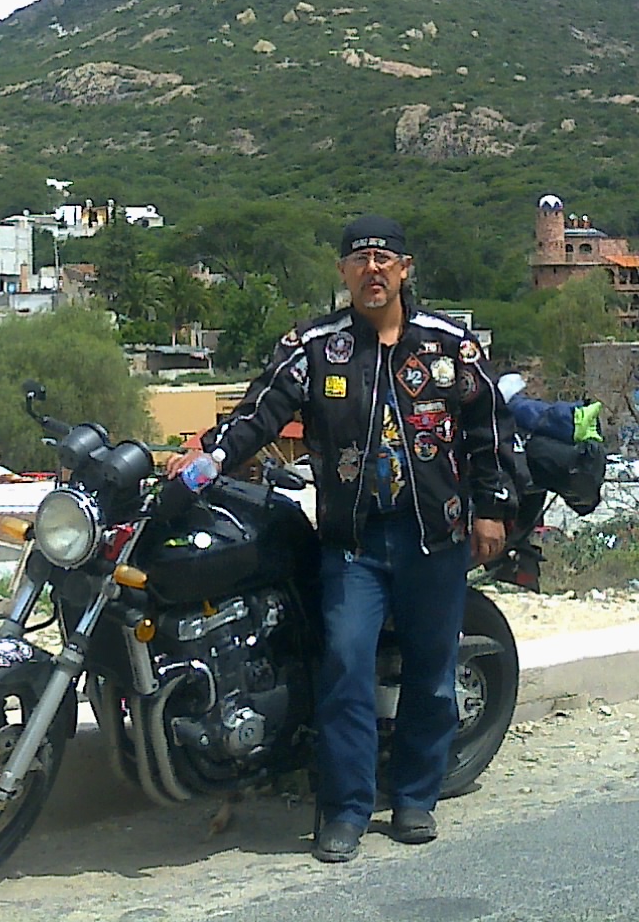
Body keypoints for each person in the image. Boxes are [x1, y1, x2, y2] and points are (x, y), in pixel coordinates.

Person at [168, 214, 514, 862]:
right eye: (360, 260)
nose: (372, 270)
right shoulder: (313, 347)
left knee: (433, 676)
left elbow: (489, 431)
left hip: (434, 540)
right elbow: (259, 413)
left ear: (405, 269)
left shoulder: (450, 345)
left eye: (384, 259)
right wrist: (205, 459)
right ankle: (346, 810)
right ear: (344, 272)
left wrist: (492, 510)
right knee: (346, 667)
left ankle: (415, 797)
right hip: (353, 543)